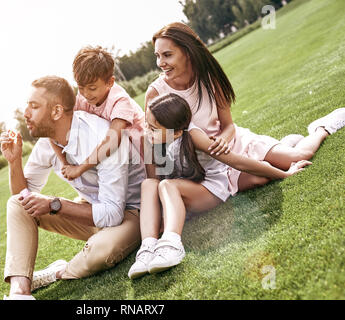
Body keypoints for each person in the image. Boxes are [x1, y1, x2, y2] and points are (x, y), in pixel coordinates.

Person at [146, 22, 345, 196]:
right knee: (260, 178)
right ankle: (283, 145)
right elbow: (152, 143)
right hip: (204, 165)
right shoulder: (156, 93)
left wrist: (222, 141)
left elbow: (229, 125)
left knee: (299, 158)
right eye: (157, 56)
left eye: (167, 55)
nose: (160, 63)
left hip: (230, 145)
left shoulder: (208, 78)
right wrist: (158, 183)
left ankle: (321, 128)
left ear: (187, 52)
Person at [128, 93, 311, 279]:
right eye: (147, 126)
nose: (147, 132)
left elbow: (237, 162)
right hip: (184, 191)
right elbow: (154, 183)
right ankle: (148, 248)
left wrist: (285, 174)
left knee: (168, 185)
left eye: (153, 129)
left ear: (175, 132)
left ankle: (171, 244)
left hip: (210, 189)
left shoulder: (193, 136)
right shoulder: (152, 141)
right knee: (149, 184)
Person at [0, 75, 145, 299]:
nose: (26, 114)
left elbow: (114, 215)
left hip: (132, 213)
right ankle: (20, 292)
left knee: (102, 251)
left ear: (57, 111)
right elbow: (22, 197)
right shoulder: (46, 144)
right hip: (93, 212)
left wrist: (54, 204)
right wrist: (14, 161)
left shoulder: (100, 137)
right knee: (18, 204)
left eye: (34, 106)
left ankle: (56, 272)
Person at [50, 46, 145, 181]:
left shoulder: (120, 101)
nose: (86, 94)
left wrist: (80, 168)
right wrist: (65, 164)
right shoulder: (81, 99)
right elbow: (52, 128)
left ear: (110, 82)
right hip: (119, 162)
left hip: (144, 157)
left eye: (92, 88)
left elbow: (113, 139)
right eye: (81, 88)